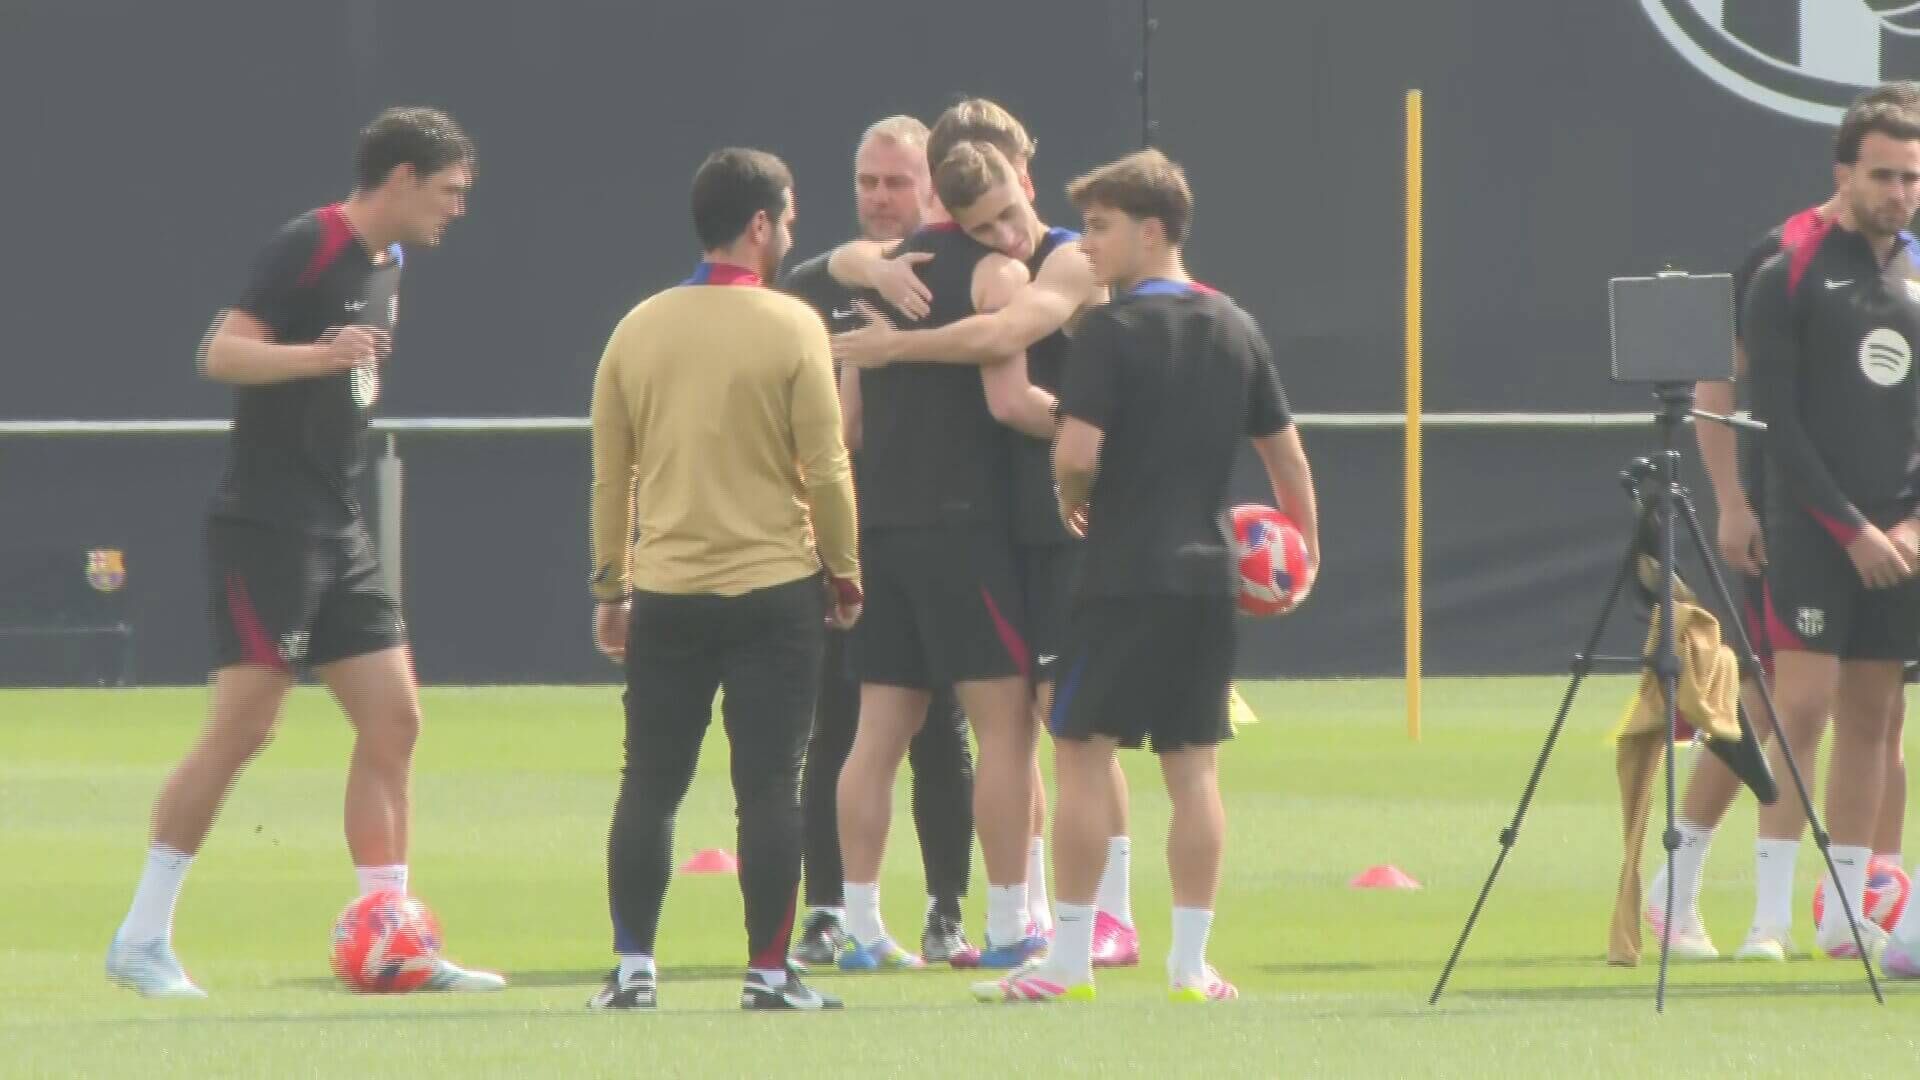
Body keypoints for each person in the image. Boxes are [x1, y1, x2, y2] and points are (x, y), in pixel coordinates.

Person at [105, 107, 497, 998]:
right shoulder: (308, 244)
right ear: (400, 178)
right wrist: (319, 359)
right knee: (245, 726)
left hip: (337, 520)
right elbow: (220, 354)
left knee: (395, 718)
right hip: (266, 524)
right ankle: (140, 938)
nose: (458, 209)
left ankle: (393, 938)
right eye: (448, 191)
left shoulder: (391, 263)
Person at [977, 148, 1318, 1003]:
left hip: (1119, 575)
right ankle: (1189, 965)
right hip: (1206, 582)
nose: (1087, 245)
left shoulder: (1111, 330)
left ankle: (1069, 961)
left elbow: (1078, 452)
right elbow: (1285, 455)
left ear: (1151, 230)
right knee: (1193, 769)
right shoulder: (1236, 325)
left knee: (1082, 753)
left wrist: (1069, 495)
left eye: (1100, 227)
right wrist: (1301, 551)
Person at [831, 98, 1139, 966]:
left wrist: (885, 328)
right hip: (975, 530)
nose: (1007, 229)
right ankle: (1015, 924)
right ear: (956, 198)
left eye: (1011, 206)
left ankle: (864, 928)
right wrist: (1101, 444)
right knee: (1019, 731)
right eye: (988, 216)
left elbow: (849, 428)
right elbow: (1008, 395)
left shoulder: (896, 272)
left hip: (894, 524)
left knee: (891, 731)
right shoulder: (991, 269)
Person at [587, 148, 858, 1011]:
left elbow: (610, 478)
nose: (791, 233)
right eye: (787, 219)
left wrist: (610, 586)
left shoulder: (636, 327)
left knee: (650, 782)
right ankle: (768, 976)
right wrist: (845, 572)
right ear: (759, 224)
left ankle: (634, 971)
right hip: (777, 590)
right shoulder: (793, 327)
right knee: (771, 786)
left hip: (666, 591)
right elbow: (828, 469)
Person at [778, 114, 978, 967]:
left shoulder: (963, 276)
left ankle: (947, 909)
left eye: (898, 181)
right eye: (868, 180)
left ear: (933, 187)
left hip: (941, 532)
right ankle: (826, 909)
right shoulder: (816, 284)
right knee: (832, 725)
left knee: (945, 732)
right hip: (836, 540)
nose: (881, 196)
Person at [1744, 89, 1920, 962]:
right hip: (1817, 529)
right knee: (1802, 707)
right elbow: (1776, 422)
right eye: (1883, 174)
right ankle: (1767, 917)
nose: (1899, 192)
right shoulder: (1791, 271)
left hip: (1901, 544)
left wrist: (1913, 527)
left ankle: (1846, 913)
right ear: (1844, 173)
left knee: (1873, 716)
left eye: (1911, 177)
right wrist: (1849, 527)